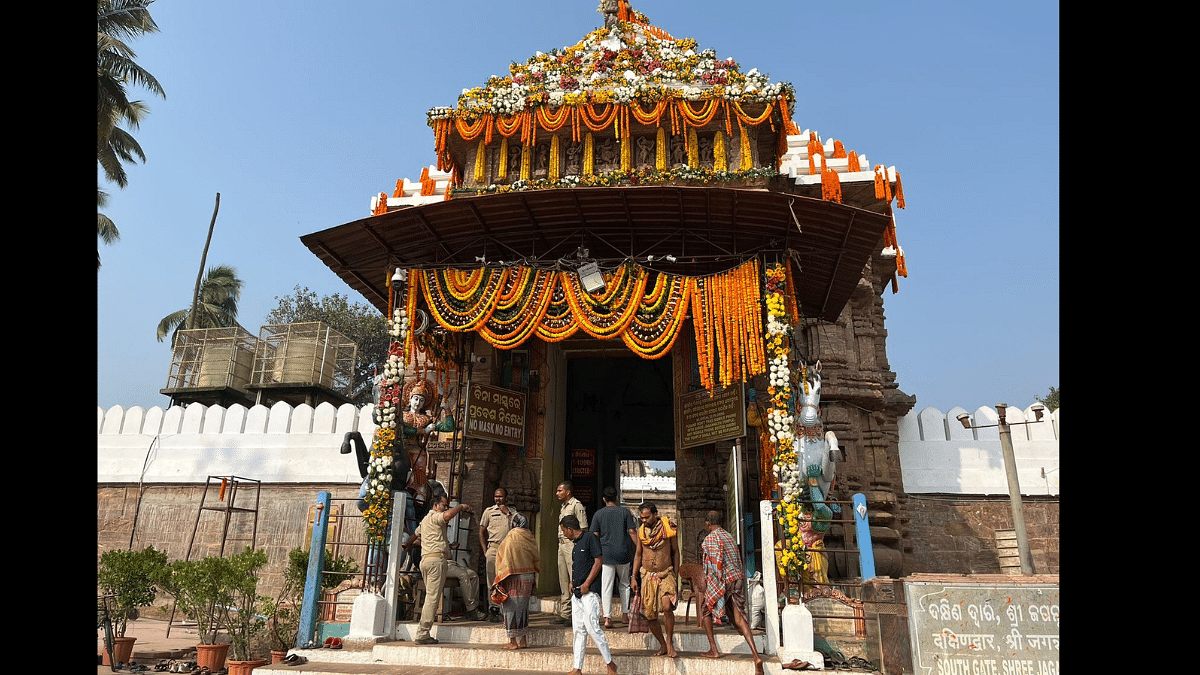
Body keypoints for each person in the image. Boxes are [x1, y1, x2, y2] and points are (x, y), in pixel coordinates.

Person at [698, 510, 763, 675]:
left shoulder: (709, 540)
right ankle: (756, 656)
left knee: (705, 610)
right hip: (736, 579)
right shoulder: (729, 536)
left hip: (721, 580)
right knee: (740, 617)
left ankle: (714, 649)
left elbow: (712, 567)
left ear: (708, 524)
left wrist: (712, 589)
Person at [413, 492, 479, 645]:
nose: (445, 508)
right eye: (444, 505)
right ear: (435, 506)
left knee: (431, 597)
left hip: (427, 560)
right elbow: (447, 516)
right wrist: (461, 506)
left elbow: (415, 536)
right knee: (432, 599)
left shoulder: (424, 521)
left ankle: (423, 631)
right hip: (435, 561)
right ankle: (422, 633)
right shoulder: (436, 516)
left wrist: (407, 545)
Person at [559, 514, 618, 675]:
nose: (564, 534)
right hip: (577, 593)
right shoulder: (576, 544)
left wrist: (587, 583)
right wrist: (573, 582)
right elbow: (578, 566)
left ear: (570, 529)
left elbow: (598, 561)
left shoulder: (590, 538)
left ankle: (610, 662)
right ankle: (577, 667)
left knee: (592, 628)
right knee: (578, 631)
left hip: (589, 593)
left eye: (564, 530)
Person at [631, 500, 679, 657]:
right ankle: (663, 645)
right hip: (647, 575)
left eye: (647, 517)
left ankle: (670, 643)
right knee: (650, 614)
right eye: (642, 518)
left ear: (655, 515)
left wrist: (676, 575)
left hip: (666, 573)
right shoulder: (641, 532)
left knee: (667, 606)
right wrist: (633, 577)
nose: (644, 520)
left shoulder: (668, 528)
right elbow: (638, 554)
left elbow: (675, 552)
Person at [590, 486, 637, 629]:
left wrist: (594, 554)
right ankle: (625, 615)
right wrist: (642, 548)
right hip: (623, 553)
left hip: (606, 555)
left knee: (606, 586)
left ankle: (607, 618)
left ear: (604, 499)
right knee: (624, 584)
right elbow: (632, 532)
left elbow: (595, 536)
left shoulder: (599, 514)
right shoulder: (625, 512)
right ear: (616, 498)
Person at [491, 513, 539, 649]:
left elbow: (503, 556)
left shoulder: (512, 536)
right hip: (528, 576)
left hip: (512, 577)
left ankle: (513, 642)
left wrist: (499, 578)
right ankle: (523, 640)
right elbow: (535, 555)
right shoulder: (529, 536)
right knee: (523, 609)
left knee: (510, 609)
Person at [479, 487, 521, 622]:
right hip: (493, 549)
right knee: (492, 580)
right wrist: (485, 550)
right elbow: (481, 531)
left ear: (506, 498)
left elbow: (519, 527)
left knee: (506, 579)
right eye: (496, 496)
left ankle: (506, 609)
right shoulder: (489, 512)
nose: (498, 499)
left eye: (501, 497)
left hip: (507, 550)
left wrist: (507, 513)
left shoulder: (513, 512)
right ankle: (494, 609)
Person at [556, 480, 588, 625]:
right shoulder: (563, 507)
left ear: (568, 492)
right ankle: (565, 612)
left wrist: (579, 546)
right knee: (563, 579)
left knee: (574, 577)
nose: (557, 493)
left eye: (560, 490)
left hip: (571, 544)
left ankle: (577, 613)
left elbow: (583, 528)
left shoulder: (577, 505)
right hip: (561, 544)